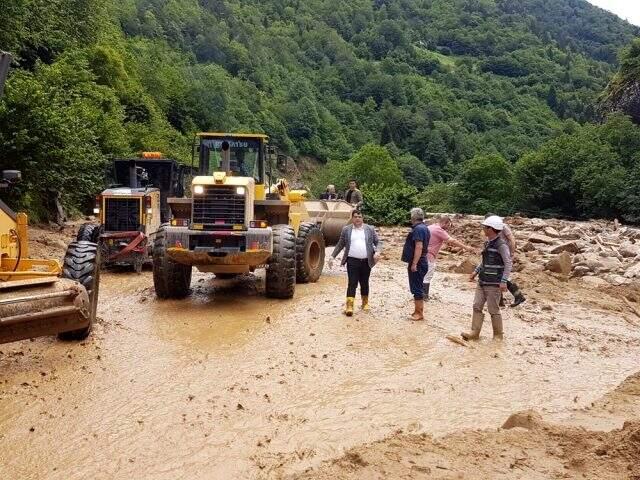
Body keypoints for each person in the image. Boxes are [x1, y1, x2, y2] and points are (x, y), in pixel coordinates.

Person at [462, 215, 512, 340]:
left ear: (491, 229)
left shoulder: (502, 245)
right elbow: (484, 261)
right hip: (482, 281)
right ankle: (474, 332)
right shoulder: (487, 243)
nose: (483, 229)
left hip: (494, 283)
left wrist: (503, 281)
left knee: (493, 310)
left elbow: (508, 263)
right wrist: (475, 272)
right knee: (476, 306)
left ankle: (498, 335)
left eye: (485, 227)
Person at [329, 210, 381, 316]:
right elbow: (340, 244)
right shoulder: (346, 229)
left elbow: (378, 242)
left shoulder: (369, 229)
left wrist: (378, 252)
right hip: (352, 260)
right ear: (352, 218)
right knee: (352, 282)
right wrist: (332, 256)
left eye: (360, 217)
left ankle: (365, 303)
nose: (358, 218)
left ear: (363, 218)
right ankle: (349, 306)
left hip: (367, 261)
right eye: (356, 217)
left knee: (364, 282)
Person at [423, 215, 476, 300]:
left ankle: (418, 295)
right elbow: (452, 241)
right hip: (429, 255)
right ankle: (424, 296)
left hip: (421, 254)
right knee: (427, 276)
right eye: (448, 225)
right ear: (444, 223)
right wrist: (466, 248)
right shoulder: (439, 230)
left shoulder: (430, 227)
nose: (448, 228)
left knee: (421, 275)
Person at [485, 213, 526, 307]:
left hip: (503, 253)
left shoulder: (503, 227)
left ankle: (517, 296)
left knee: (500, 276)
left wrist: (511, 253)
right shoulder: (492, 230)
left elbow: (512, 239)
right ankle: (502, 300)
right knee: (498, 276)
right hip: (497, 253)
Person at [401, 208, 430, 321]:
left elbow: (419, 246)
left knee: (417, 288)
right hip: (422, 261)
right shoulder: (424, 228)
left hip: (418, 262)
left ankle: (419, 313)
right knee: (417, 286)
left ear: (413, 217)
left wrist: (414, 264)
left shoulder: (418, 229)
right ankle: (417, 311)